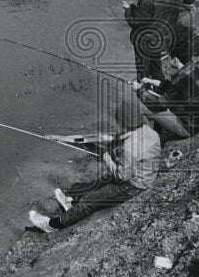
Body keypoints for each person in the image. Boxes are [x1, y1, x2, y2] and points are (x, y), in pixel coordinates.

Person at [28, 92, 160, 232]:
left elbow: (122, 177)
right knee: (98, 184)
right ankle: (70, 203)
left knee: (89, 202)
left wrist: (106, 157)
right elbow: (102, 137)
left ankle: (52, 225)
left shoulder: (130, 148)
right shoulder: (148, 131)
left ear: (123, 123)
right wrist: (63, 138)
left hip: (133, 185)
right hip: (145, 174)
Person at [124, 0, 184, 83]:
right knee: (156, 66)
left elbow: (134, 22)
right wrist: (136, 8)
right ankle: (160, 86)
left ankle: (144, 91)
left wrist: (128, 10)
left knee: (143, 71)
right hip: (163, 39)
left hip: (145, 42)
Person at [132, 55, 199, 142]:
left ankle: (149, 140)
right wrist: (151, 81)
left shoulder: (181, 80)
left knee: (142, 106)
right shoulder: (196, 70)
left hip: (187, 129)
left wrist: (140, 90)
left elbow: (157, 105)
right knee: (156, 101)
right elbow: (171, 87)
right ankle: (155, 131)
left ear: (175, 60)